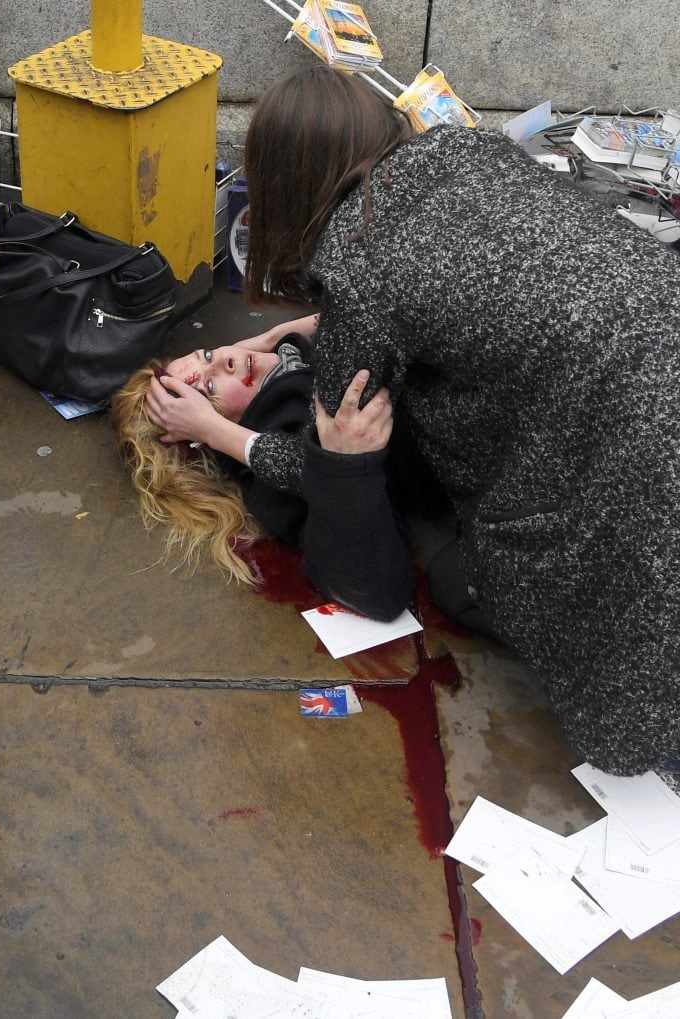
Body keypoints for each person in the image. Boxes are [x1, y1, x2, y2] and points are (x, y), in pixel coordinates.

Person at [146, 65, 680, 778]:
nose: (225, 367)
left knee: (497, 585)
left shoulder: (358, 273)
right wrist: (261, 347)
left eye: (209, 360)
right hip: (656, 322)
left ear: (283, 183)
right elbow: (443, 285)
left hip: (626, 430)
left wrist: (222, 431)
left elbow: (342, 467)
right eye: (206, 380)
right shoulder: (462, 149)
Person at [113, 327, 416, 620]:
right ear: (200, 433)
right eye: (209, 387)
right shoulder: (283, 452)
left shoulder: (288, 353)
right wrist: (218, 433)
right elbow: (376, 591)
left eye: (207, 355)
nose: (223, 360)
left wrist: (270, 339)